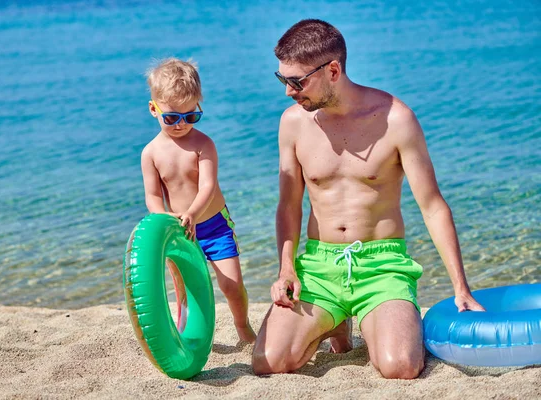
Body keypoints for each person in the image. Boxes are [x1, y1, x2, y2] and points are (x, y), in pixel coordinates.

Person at [251, 19, 484, 378]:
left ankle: (359, 318)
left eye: (297, 81)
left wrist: (460, 287)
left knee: (400, 367)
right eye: (283, 79)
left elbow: (433, 206)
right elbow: (289, 205)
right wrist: (286, 267)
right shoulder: (293, 124)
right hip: (319, 266)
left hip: (382, 265)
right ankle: (333, 320)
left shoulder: (396, 120)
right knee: (269, 363)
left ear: (333, 70)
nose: (288, 91)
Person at [141, 58, 256, 343]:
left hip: (213, 225)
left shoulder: (204, 145)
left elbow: (207, 186)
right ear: (153, 109)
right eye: (171, 118)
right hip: (179, 230)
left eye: (190, 116)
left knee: (231, 284)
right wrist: (165, 221)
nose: (181, 125)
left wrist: (192, 212)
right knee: (185, 289)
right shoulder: (150, 153)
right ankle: (187, 333)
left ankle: (242, 326)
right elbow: (154, 196)